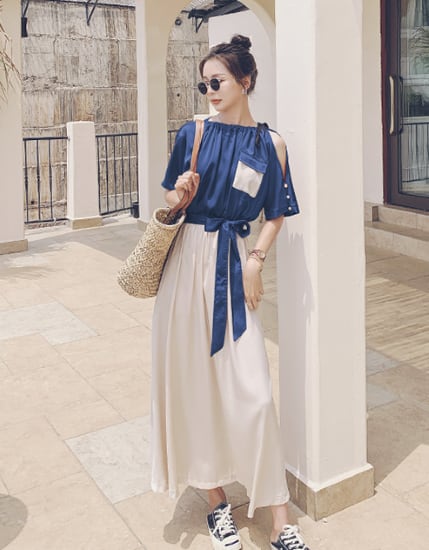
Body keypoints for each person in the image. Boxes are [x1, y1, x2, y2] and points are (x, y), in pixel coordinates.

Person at [151, 35, 310, 550]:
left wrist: (255, 260)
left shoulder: (271, 145)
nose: (210, 91)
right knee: (194, 387)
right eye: (204, 84)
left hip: (234, 263)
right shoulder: (193, 132)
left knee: (255, 394)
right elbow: (169, 197)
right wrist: (181, 193)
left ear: (245, 81)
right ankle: (216, 501)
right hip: (186, 267)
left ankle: (280, 521)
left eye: (216, 81)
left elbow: (277, 212)